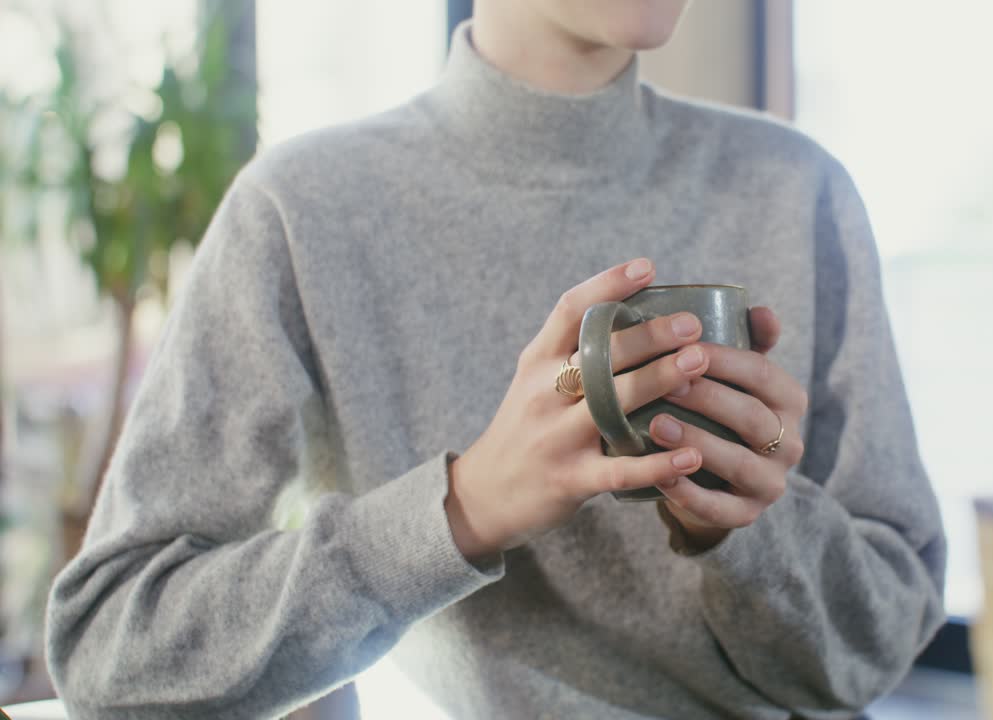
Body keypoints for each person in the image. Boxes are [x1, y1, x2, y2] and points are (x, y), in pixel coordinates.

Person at [45, 1, 946, 717]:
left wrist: (750, 529)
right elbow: (110, 654)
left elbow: (874, 650)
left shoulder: (798, 190)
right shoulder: (303, 211)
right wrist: (462, 509)